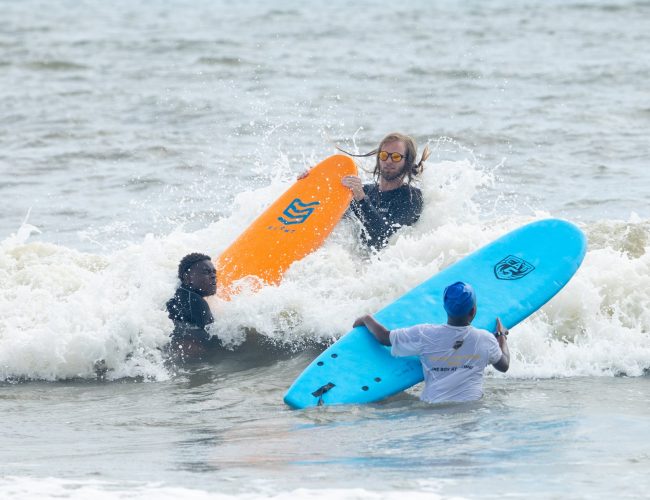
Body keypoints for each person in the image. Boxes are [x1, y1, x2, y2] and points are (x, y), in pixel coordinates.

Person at [353, 281, 510, 404]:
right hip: (472, 407)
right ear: (473, 311)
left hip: (433, 406)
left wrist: (367, 318)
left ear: (444, 307)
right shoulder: (485, 339)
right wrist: (501, 335)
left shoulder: (425, 333)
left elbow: (384, 338)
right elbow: (504, 365)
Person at [341, 132, 430, 249]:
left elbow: (386, 236)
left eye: (396, 157)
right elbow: (331, 216)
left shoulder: (412, 198)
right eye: (384, 155)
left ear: (407, 162)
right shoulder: (364, 191)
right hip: (355, 261)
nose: (388, 161)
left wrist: (362, 200)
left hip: (387, 263)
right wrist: (313, 180)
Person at [166, 253, 220, 359]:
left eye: (214, 272)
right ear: (187, 278)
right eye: (206, 272)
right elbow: (211, 338)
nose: (213, 276)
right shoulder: (196, 301)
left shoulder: (177, 293)